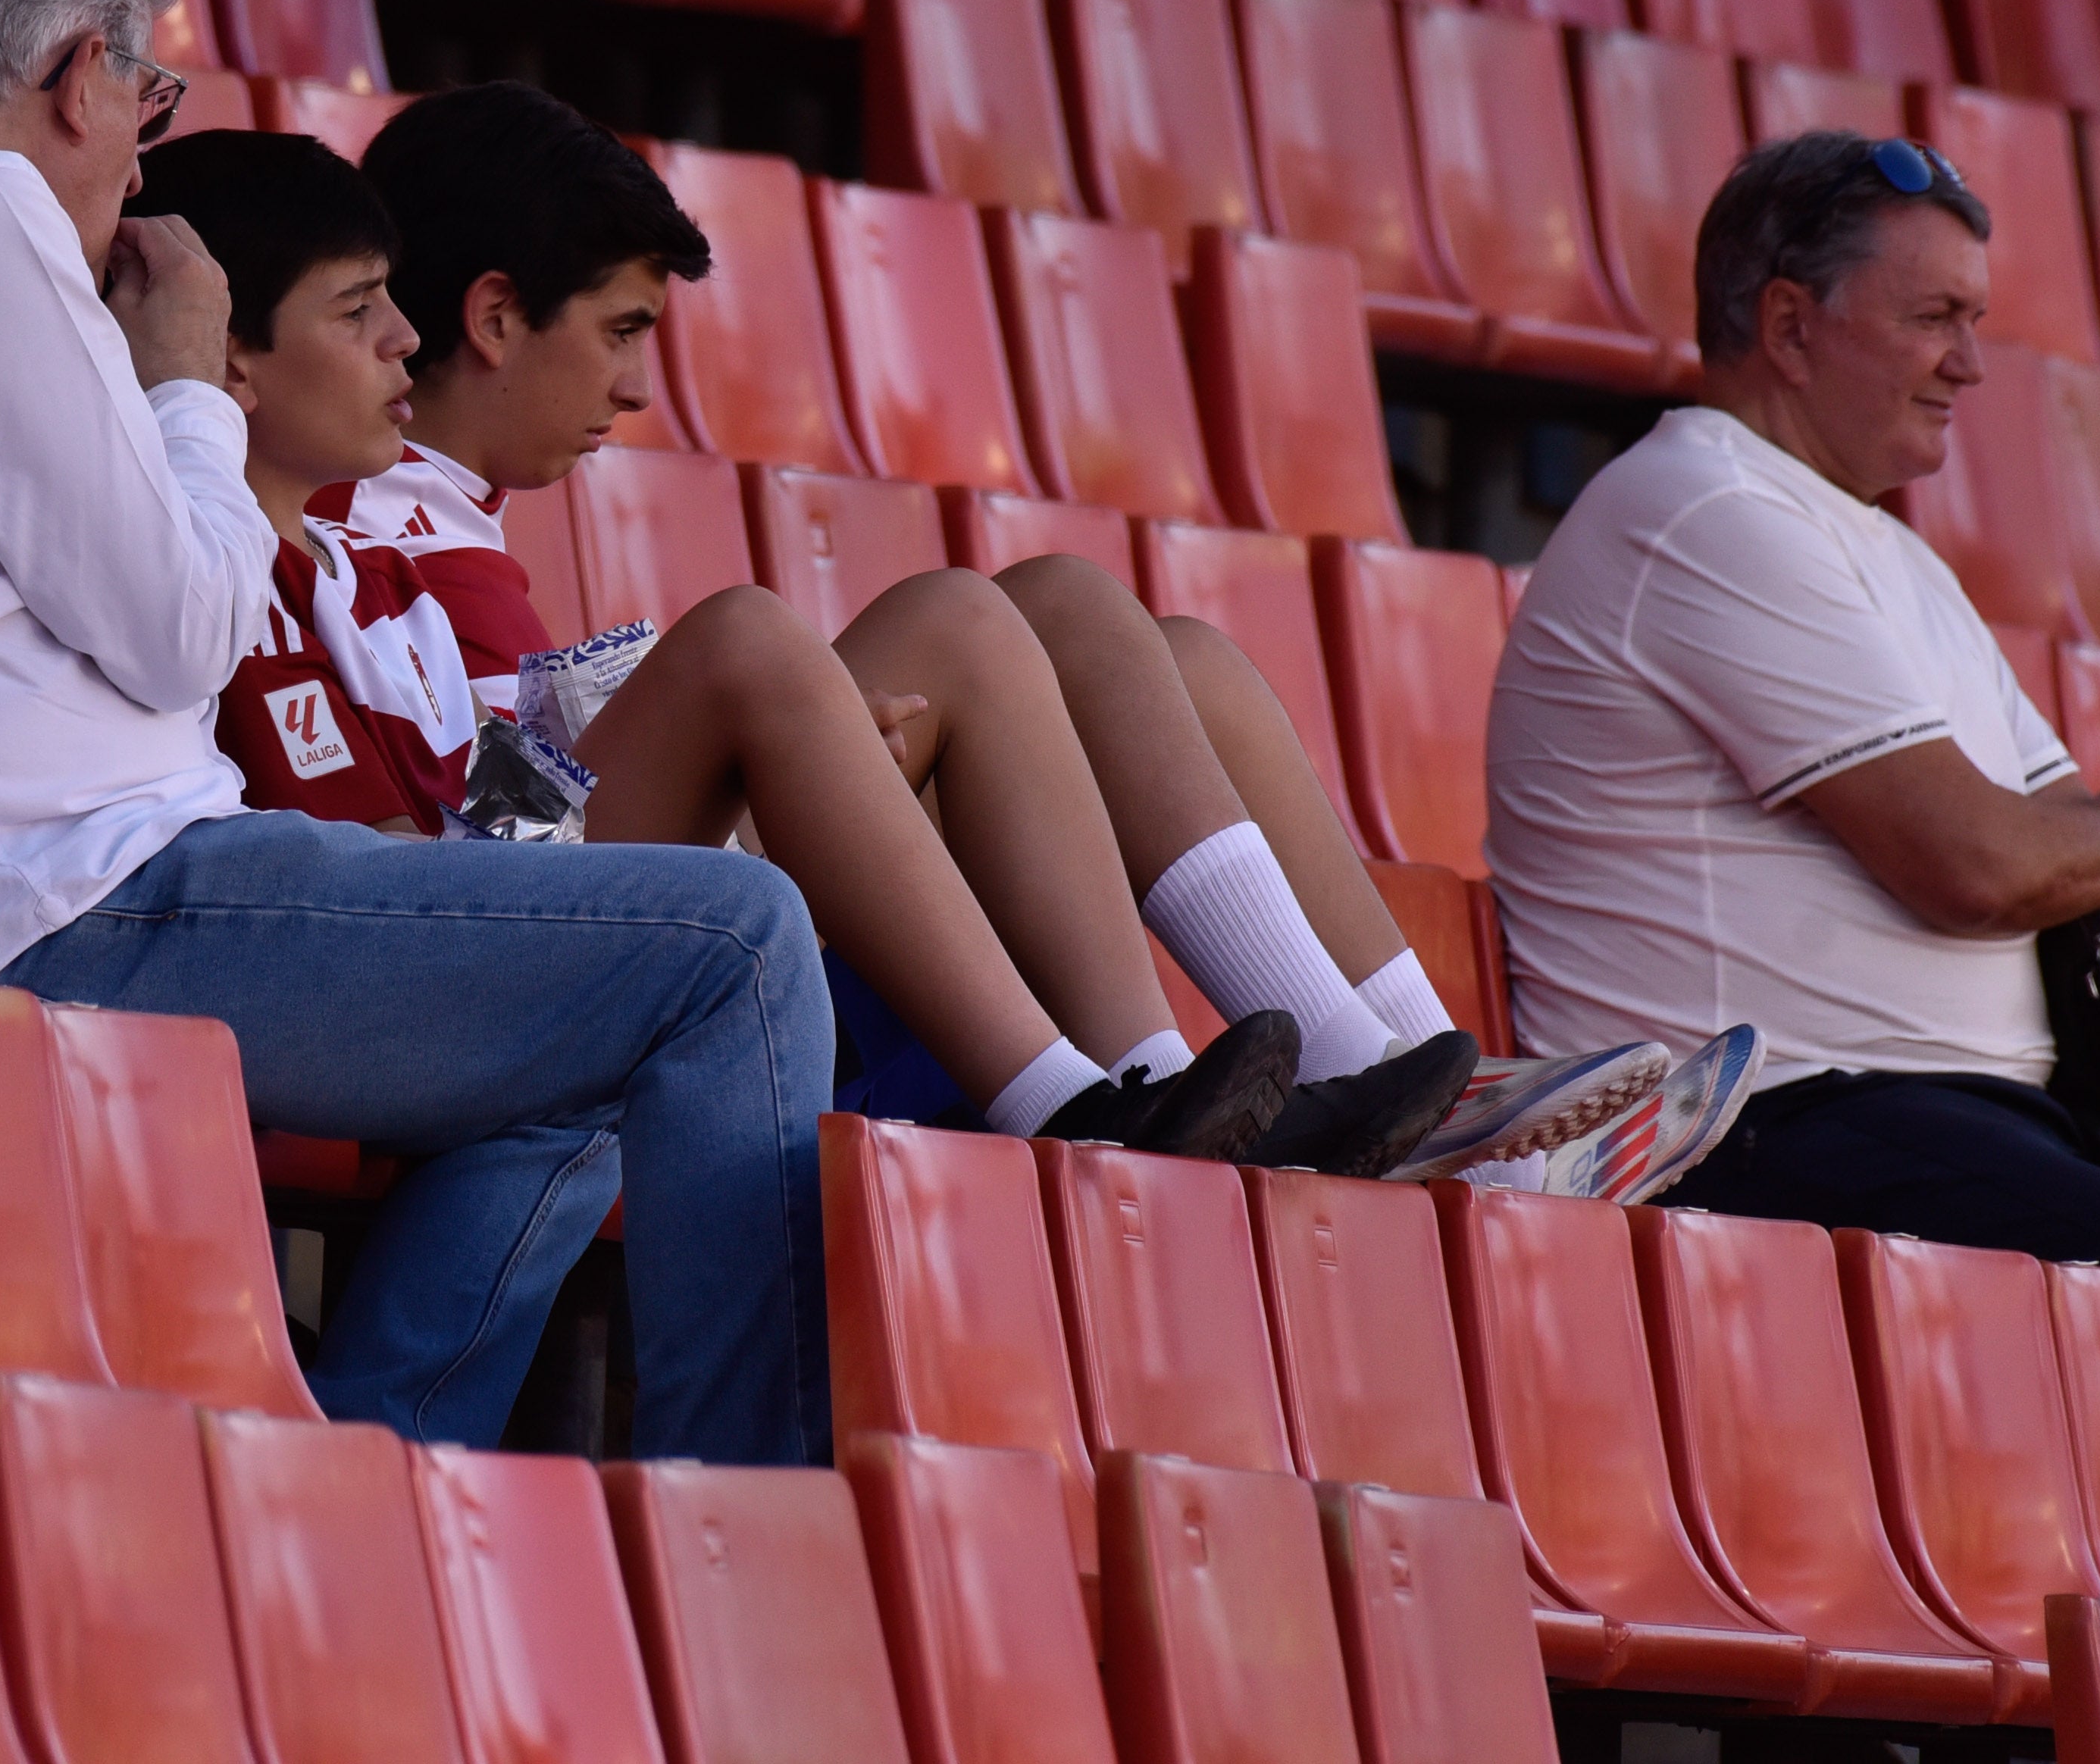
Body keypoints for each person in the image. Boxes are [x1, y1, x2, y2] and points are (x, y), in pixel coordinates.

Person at [0, 0, 843, 1460]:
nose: (137, 149)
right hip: (44, 919)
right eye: (146, 98)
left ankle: (369, 1461)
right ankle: (754, 1512)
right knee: (729, 942)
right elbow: (189, 625)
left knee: (588, 1022)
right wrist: (192, 380)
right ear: (73, 76)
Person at [336, 82, 1764, 1201]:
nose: (639, 390)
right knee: (949, 622)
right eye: (622, 332)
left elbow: (521, 791)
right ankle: (1143, 1090)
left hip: (615, 905)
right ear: (497, 316)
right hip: (544, 966)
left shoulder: (443, 519)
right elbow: (489, 849)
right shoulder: (358, 513)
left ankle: (1407, 1075)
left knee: (1161, 649)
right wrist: (781, 777)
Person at [130, 125, 1309, 1166]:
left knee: (1099, 642)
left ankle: (1189, 1074)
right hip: (441, 977)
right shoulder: (305, 547)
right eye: (357, 313)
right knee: (818, 638)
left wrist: (741, 760)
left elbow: (465, 798)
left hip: (489, 916)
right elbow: (392, 856)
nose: (399, 338)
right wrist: (728, 763)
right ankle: (1088, 1094)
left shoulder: (364, 560)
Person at [1485, 130, 2100, 1306]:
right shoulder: (1701, 509)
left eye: (1972, 321)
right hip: (1758, 1126)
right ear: (1790, 326)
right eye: (1932, 317)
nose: (1969, 365)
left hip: (1966, 1125)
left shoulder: (1889, 553)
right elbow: (1977, 864)